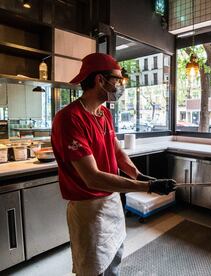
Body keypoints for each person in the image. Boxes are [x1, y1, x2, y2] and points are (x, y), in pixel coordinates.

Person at [51, 53, 176, 276]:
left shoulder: (104, 113)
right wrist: (147, 188)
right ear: (100, 80)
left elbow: (116, 150)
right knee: (94, 269)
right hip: (88, 209)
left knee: (114, 260)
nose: (120, 85)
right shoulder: (69, 118)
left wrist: (137, 175)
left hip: (111, 200)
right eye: (117, 80)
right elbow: (92, 178)